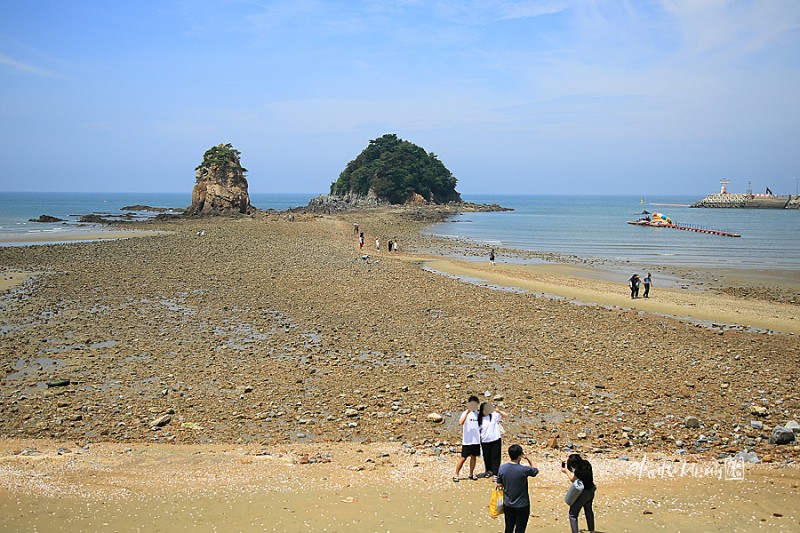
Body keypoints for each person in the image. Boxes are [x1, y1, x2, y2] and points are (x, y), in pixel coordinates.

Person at [496, 444, 538, 533]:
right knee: (520, 529)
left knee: (509, 528)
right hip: (522, 505)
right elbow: (535, 470)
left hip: (508, 504)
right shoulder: (524, 470)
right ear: (520, 455)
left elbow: (499, 485)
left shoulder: (502, 468)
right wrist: (528, 458)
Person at [561, 453, 596, 533]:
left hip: (584, 493)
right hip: (591, 490)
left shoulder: (578, 471)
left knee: (572, 514)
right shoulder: (587, 464)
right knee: (588, 510)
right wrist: (568, 461)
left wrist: (566, 471)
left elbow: (572, 479)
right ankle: (592, 530)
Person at [453, 395, 481, 482]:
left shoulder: (477, 414)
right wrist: (467, 413)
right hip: (467, 441)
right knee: (463, 457)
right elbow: (460, 422)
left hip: (476, 440)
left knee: (474, 457)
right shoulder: (465, 413)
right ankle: (456, 474)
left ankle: (471, 474)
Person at [479, 402, 507, 479]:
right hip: (484, 440)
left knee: (496, 457)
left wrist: (499, 411)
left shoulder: (494, 415)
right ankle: (488, 471)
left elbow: (505, 415)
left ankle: (495, 473)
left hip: (495, 439)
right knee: (486, 457)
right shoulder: (479, 419)